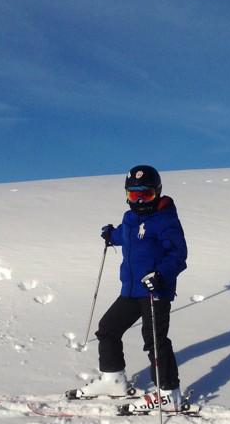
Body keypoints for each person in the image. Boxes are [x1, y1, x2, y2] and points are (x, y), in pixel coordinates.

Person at [75, 165, 188, 411]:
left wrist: (160, 275)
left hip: (154, 290)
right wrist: (111, 234)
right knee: (108, 329)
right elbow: (128, 236)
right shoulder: (130, 218)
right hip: (131, 290)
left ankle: (169, 394)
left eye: (145, 195)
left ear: (157, 193)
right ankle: (113, 380)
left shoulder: (165, 220)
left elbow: (179, 255)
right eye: (133, 195)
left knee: (155, 340)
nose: (138, 200)